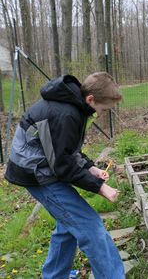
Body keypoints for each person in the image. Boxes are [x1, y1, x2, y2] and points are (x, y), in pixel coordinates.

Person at [4, 72, 125, 279]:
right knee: (91, 227)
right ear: (90, 99)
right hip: (37, 173)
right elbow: (62, 166)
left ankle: (54, 275)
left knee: (68, 225)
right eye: (104, 109)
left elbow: (66, 150)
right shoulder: (66, 114)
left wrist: (89, 167)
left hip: (42, 167)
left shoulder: (73, 107)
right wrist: (100, 187)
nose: (104, 113)